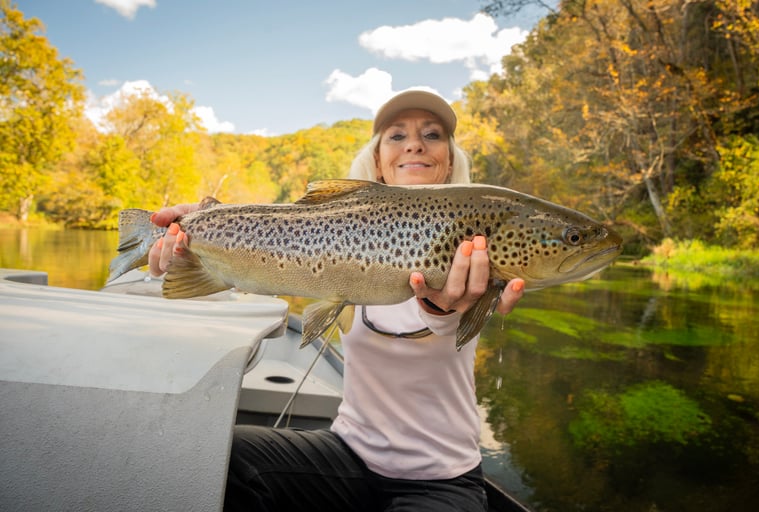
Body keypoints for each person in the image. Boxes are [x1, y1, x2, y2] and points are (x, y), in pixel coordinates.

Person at [148, 89, 526, 512]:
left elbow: (447, 315)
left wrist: (443, 309)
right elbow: (278, 229)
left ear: (450, 161)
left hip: (440, 481)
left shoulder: (477, 247)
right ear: (379, 162)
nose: (415, 144)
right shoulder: (344, 228)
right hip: (346, 456)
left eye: (432, 135)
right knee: (212, 457)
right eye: (397, 136)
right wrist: (194, 226)